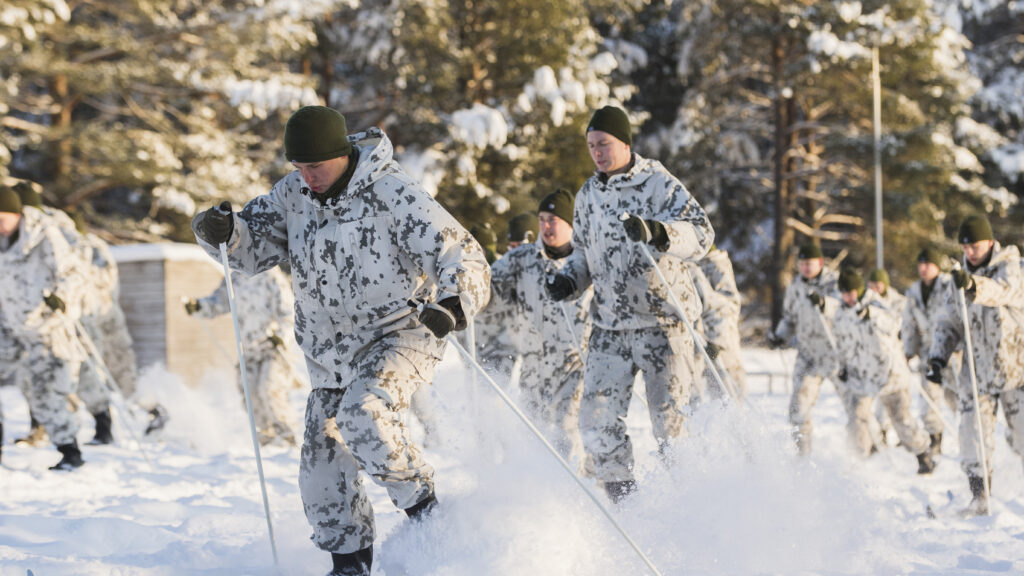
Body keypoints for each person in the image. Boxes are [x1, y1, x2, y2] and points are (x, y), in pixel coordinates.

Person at [191, 106, 490, 575]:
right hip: (330, 357)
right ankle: (349, 566)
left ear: (343, 155)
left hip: (400, 334)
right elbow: (250, 253)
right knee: (321, 474)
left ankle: (428, 514)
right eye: (299, 167)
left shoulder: (392, 192)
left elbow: (465, 257)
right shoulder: (293, 196)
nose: (308, 176)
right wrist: (223, 234)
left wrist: (453, 303)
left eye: (316, 166)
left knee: (364, 413)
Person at [546, 105, 715, 502]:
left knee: (670, 425)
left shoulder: (658, 184)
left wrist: (660, 232)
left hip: (663, 323)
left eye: (604, 144)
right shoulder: (588, 194)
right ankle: (626, 507)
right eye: (591, 146)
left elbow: (703, 234)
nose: (597, 153)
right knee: (596, 423)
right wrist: (571, 280)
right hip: (609, 327)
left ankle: (690, 504)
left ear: (624, 143)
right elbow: (584, 252)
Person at [488, 188, 593, 473]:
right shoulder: (523, 258)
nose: (546, 226)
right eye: (542, 219)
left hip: (575, 365)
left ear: (570, 224)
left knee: (566, 432)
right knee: (533, 437)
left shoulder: (586, 260)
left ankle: (575, 499)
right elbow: (488, 282)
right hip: (533, 366)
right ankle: (541, 502)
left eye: (553, 220)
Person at [927, 215, 1024, 516]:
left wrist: (973, 285)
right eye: (966, 247)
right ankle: (979, 496)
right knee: (972, 434)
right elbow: (948, 322)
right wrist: (938, 355)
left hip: (1015, 367)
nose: (970, 253)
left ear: (991, 243)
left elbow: (1004, 291)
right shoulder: (956, 279)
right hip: (976, 369)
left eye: (976, 246)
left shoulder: (1010, 265)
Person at [0, 184, 87, 470]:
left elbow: (72, 271)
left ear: (17, 214)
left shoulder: (44, 235)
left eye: (3, 217)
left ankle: (70, 450)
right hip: (10, 326)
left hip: (46, 327)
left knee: (44, 393)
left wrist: (61, 296)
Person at [833, 268, 937, 473]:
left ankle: (922, 453)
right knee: (857, 418)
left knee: (902, 421)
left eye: (851, 292)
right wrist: (843, 365)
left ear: (860, 290)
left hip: (890, 375)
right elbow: (842, 343)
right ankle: (857, 460)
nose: (848, 297)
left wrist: (871, 315)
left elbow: (894, 323)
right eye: (844, 293)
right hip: (862, 376)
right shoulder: (841, 313)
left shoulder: (876, 304)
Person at [185, 266, 298, 446]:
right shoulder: (235, 278)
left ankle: (288, 437)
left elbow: (289, 313)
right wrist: (200, 306)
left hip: (272, 348)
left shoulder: (271, 277)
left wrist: (282, 337)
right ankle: (266, 440)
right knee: (250, 393)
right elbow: (220, 302)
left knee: (268, 390)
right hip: (248, 349)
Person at [769, 242, 853, 455]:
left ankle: (866, 450)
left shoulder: (834, 282)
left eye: (810, 263)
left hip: (835, 352)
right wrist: (780, 335)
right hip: (808, 354)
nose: (806, 267)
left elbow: (845, 307)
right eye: (802, 263)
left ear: (821, 263)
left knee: (854, 402)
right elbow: (789, 317)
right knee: (799, 405)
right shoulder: (795, 286)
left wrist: (825, 303)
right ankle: (802, 454)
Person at [901, 246, 959, 455]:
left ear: (936, 266)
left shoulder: (949, 285)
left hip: (953, 352)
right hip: (928, 353)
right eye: (921, 264)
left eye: (929, 264)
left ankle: (967, 436)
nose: (924, 268)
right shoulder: (914, 291)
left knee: (956, 398)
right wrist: (908, 350)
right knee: (928, 400)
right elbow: (909, 324)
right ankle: (935, 439)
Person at [696, 246, 746, 398]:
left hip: (721, 344)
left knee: (729, 397)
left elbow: (728, 305)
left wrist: (717, 341)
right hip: (698, 341)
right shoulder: (689, 264)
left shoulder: (716, 265)